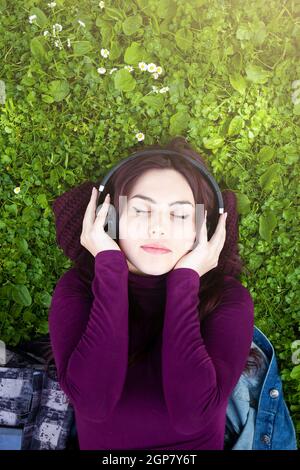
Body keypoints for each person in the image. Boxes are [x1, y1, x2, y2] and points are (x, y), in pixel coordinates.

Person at [48, 137, 257, 450]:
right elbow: (92, 403)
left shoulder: (228, 299)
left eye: (180, 215)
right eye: (142, 211)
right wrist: (110, 270)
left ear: (205, 229)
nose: (158, 229)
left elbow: (191, 415)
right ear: (110, 220)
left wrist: (185, 282)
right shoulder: (77, 288)